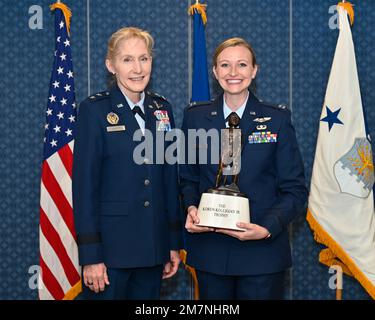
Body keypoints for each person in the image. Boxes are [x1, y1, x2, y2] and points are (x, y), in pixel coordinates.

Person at [179, 37, 308, 299]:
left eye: (242, 65)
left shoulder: (278, 119)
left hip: (262, 253)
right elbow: (186, 177)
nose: (234, 73)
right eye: (225, 65)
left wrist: (267, 227)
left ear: (254, 70)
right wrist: (191, 207)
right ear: (215, 72)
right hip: (211, 251)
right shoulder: (195, 117)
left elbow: (295, 190)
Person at [73, 27, 182, 300]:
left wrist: (172, 243)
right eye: (127, 60)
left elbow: (169, 181)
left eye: (144, 59)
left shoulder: (162, 109)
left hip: (153, 249)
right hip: (110, 254)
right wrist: (91, 255)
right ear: (111, 65)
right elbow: (85, 188)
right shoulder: (94, 110)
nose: (137, 68)